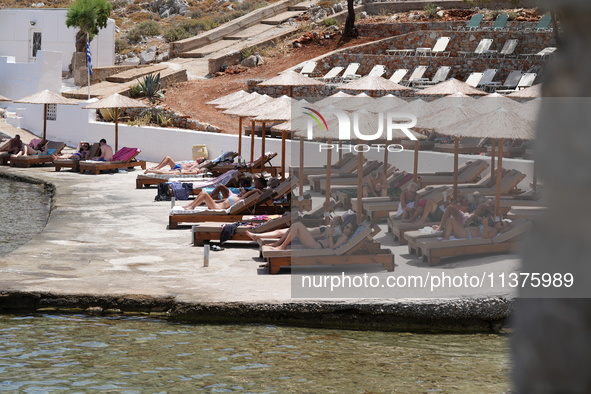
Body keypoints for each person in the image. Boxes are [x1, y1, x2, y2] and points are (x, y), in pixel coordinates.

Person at [266, 219, 358, 251]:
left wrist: (330, 235)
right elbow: (324, 238)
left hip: (316, 246)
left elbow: (333, 247)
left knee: (298, 225)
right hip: (316, 242)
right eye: (346, 226)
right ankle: (279, 243)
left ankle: (282, 246)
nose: (345, 228)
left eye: (347, 227)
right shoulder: (342, 235)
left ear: (351, 232)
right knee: (295, 225)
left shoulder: (344, 238)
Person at [247, 215, 343, 243]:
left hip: (307, 234)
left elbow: (321, 237)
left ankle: (256, 235)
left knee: (280, 232)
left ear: (337, 222)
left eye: (333, 219)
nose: (331, 219)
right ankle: (256, 235)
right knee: (280, 232)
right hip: (307, 231)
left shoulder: (334, 230)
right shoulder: (331, 227)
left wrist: (306, 236)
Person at [182, 183, 264, 210]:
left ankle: (192, 207)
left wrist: (257, 191)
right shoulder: (238, 198)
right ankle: (190, 205)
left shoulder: (241, 199)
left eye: (243, 193)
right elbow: (224, 201)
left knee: (204, 194)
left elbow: (253, 192)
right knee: (202, 193)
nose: (241, 193)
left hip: (217, 208)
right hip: (216, 205)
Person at [441, 212, 512, 240]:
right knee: (449, 221)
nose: (499, 223)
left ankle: (446, 241)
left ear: (502, 229)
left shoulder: (495, 231)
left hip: (466, 234)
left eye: (501, 224)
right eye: (500, 221)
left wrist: (485, 224)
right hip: (465, 231)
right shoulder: (493, 227)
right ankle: (442, 235)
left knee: (450, 220)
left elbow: (485, 236)